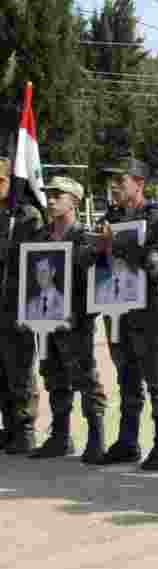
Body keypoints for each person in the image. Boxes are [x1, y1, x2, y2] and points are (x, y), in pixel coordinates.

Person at [92, 157, 158, 471]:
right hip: (116, 306)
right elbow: (93, 257)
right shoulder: (110, 216)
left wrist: (116, 243)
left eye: (120, 180)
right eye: (112, 181)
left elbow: (154, 257)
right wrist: (97, 248)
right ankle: (128, 442)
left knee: (154, 376)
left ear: (138, 184)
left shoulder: (156, 216)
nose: (114, 186)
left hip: (145, 308)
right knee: (126, 376)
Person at [29, 177, 108, 461]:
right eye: (49, 195)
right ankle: (60, 437)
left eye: (58, 195)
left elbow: (98, 276)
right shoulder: (40, 237)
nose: (51, 200)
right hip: (46, 318)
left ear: (74, 201)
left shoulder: (85, 237)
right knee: (53, 375)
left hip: (76, 320)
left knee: (85, 378)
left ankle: (96, 438)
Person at [0, 155, 44, 455]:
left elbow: (39, 258)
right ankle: (8, 428)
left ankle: (25, 428)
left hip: (18, 303)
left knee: (20, 367)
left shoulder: (27, 216)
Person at [26, 256, 65, 320]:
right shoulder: (31, 305)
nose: (40, 276)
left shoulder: (64, 302)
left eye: (44, 271)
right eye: (38, 272)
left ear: (53, 272)